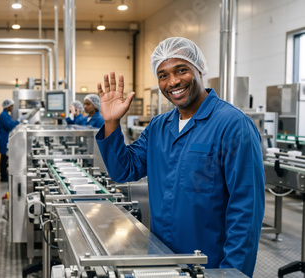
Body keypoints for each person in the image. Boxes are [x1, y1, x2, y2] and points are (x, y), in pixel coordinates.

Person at [95, 37, 265, 277]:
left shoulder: (233, 125)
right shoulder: (159, 127)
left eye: (181, 70)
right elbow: (124, 170)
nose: (172, 81)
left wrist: (232, 273)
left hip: (210, 266)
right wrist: (111, 122)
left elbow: (246, 210)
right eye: (163, 75)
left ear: (199, 70)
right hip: (162, 260)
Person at [0, 99, 26, 182]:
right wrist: (18, 121)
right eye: (11, 106)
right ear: (7, 106)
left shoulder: (6, 114)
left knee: (5, 157)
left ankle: (4, 174)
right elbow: (9, 126)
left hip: (5, 137)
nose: (12, 107)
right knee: (3, 157)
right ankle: (3, 176)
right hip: (3, 138)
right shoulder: (3, 115)